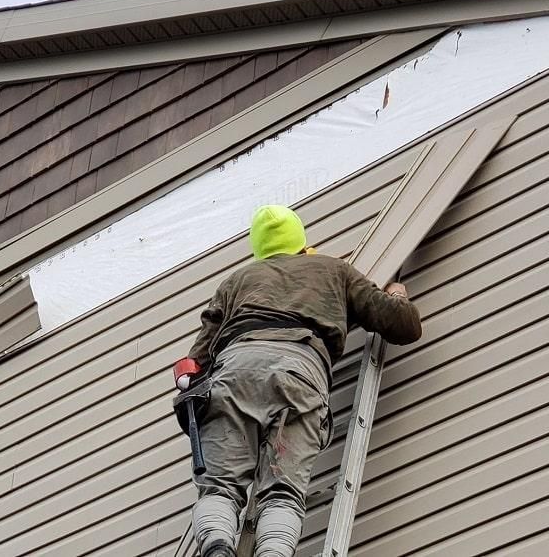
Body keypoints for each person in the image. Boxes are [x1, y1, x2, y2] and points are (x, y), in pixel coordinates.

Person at [172, 204, 422, 557]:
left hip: (234, 371)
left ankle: (216, 546)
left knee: (220, 488)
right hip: (298, 375)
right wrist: (397, 294)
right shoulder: (333, 270)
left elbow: (194, 361)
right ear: (301, 240)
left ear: (259, 248)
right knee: (282, 491)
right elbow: (404, 325)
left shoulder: (237, 281)